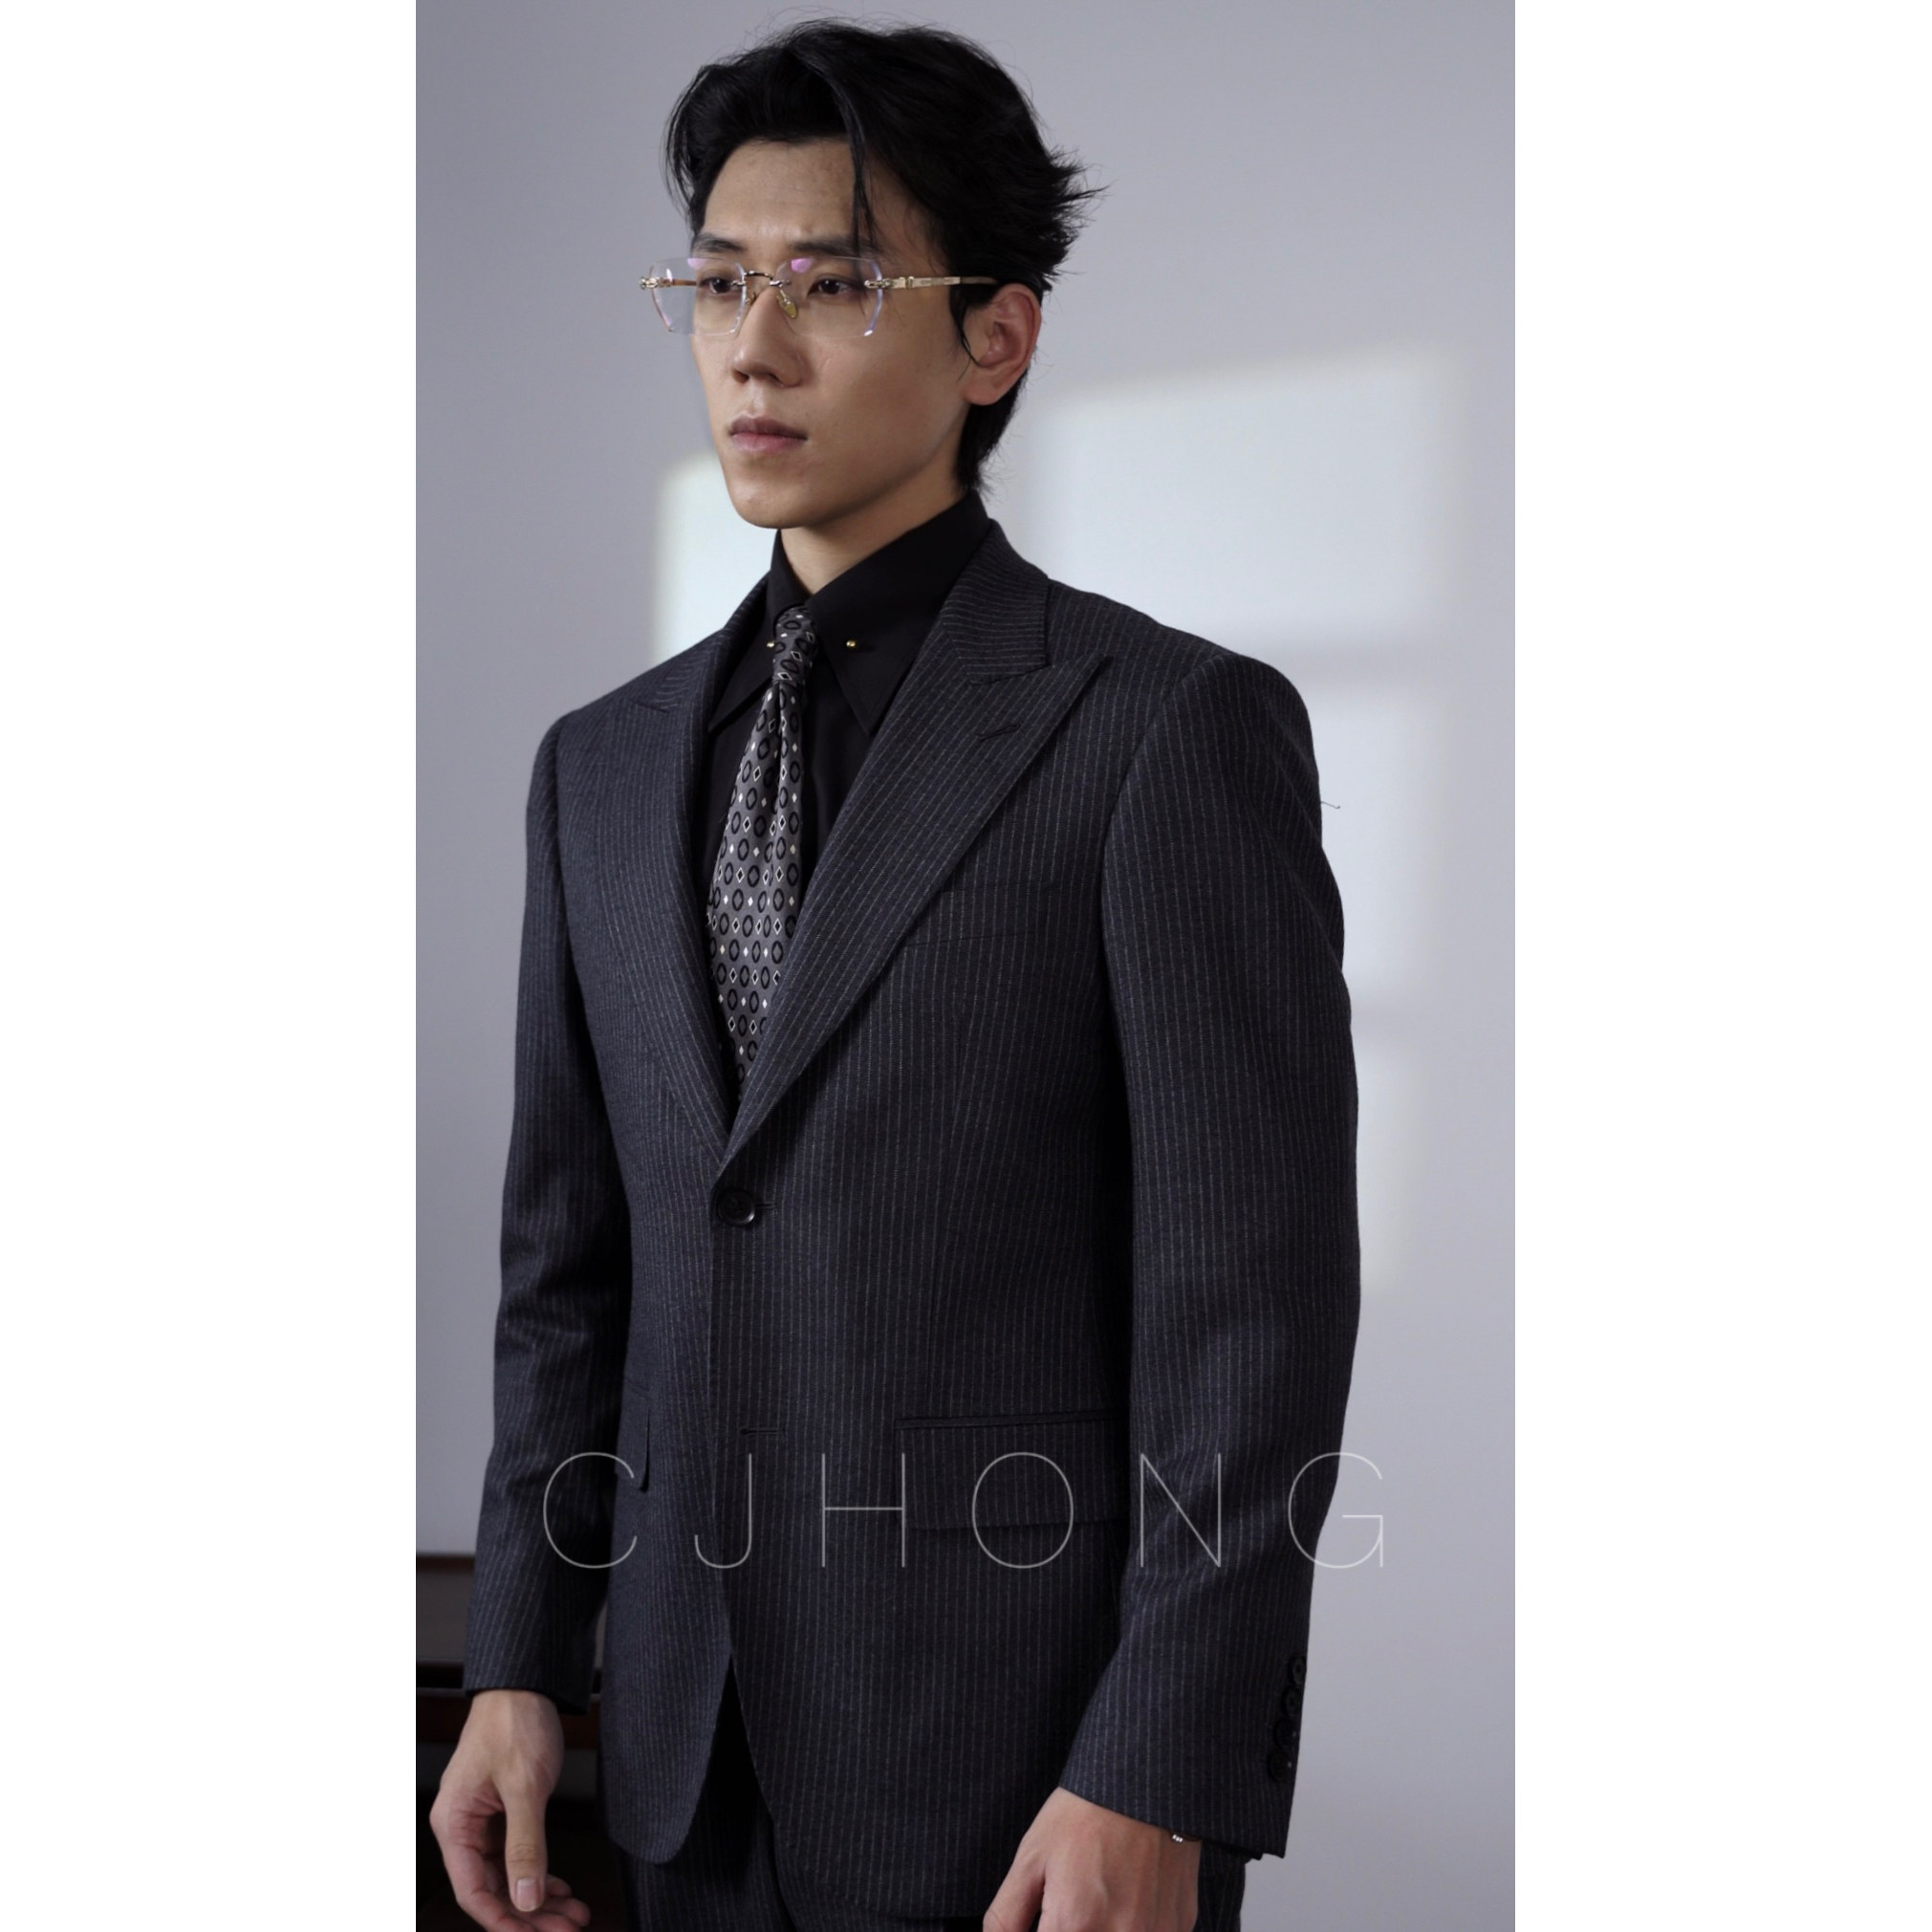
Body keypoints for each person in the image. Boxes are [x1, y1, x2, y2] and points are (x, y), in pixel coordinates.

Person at [430, 20, 1360, 1932]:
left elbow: (1248, 1320)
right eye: (716, 284)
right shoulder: (597, 770)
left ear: (995, 338)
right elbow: (566, 1278)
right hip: (680, 1763)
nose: (752, 347)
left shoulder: (1161, 733)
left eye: (833, 285)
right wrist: (517, 1657)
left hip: (1028, 1786)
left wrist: (1157, 1764)